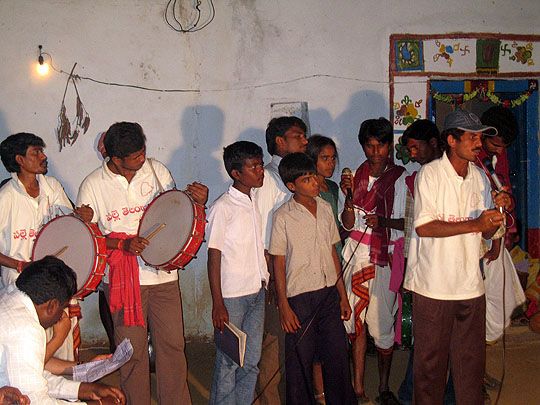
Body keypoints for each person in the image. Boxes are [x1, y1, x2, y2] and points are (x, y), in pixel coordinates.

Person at [77, 122, 208, 404]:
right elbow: (88, 239)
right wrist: (121, 244)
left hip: (163, 277)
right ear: (115, 158)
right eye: (135, 156)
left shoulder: (156, 170)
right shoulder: (93, 184)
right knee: (131, 352)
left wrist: (197, 202)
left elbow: (175, 215)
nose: (142, 158)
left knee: (172, 346)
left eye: (143, 151)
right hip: (123, 281)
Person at [404, 109, 511, 404]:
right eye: (472, 137)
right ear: (451, 140)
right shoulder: (430, 175)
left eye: (480, 137)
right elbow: (425, 227)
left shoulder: (479, 177)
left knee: (470, 365)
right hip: (434, 286)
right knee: (430, 366)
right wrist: (476, 223)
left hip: (470, 284)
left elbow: (486, 234)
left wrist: (496, 214)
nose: (478, 143)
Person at [269, 152, 355, 405]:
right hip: (300, 297)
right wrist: (284, 305)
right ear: (291, 186)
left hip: (328, 293)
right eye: (306, 180)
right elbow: (278, 261)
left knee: (337, 357)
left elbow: (332, 253)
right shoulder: (283, 216)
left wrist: (342, 296)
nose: (315, 183)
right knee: (300, 362)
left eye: (314, 177)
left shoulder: (326, 208)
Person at [0, 132, 92, 367]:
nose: (43, 156)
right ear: (19, 160)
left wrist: (84, 216)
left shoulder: (52, 187)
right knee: (31, 344)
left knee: (63, 342)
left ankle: (65, 387)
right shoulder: (6, 197)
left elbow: (71, 224)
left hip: (55, 279)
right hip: (20, 282)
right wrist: (20, 265)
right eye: (36, 152)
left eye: (41, 151)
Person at [340, 117, 407, 404]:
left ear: (390, 146)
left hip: (384, 258)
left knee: (381, 325)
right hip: (356, 256)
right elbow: (347, 224)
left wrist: (383, 222)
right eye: (370, 146)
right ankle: (357, 387)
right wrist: (347, 197)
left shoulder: (401, 178)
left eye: (381, 145)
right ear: (363, 146)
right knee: (354, 322)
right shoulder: (355, 177)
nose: (376, 152)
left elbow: (407, 222)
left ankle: (383, 387)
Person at [0, 255, 125, 404]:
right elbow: (35, 400)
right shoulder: (25, 329)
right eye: (63, 308)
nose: (63, 315)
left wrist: (84, 389)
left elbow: (32, 378)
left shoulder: (10, 293)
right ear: (52, 306)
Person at [396, 119, 456, 405]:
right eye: (408, 149)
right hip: (428, 272)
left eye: (415, 147)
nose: (412, 154)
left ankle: (450, 395)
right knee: (427, 339)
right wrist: (410, 274)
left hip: (453, 268)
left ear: (433, 143)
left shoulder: (458, 175)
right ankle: (411, 394)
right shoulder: (420, 177)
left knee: (454, 339)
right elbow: (413, 232)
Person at [206, 141, 269, 404]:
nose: (260, 170)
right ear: (236, 173)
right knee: (229, 361)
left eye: (260, 165)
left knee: (251, 361)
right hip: (232, 297)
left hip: (256, 291)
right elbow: (213, 256)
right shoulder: (223, 207)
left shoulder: (253, 201)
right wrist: (218, 303)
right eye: (253, 167)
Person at [254, 116, 308, 404]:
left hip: (296, 271)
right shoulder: (268, 181)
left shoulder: (295, 177)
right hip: (277, 273)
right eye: (298, 136)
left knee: (293, 342)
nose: (304, 141)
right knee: (274, 342)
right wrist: (274, 279)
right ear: (279, 141)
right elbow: (264, 236)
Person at [306, 134, 341, 403]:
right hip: (314, 268)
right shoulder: (306, 190)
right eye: (324, 158)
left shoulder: (334, 188)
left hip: (335, 261)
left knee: (333, 336)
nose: (330, 164)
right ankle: (319, 393)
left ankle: (334, 388)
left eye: (332, 159)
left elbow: (339, 226)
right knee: (316, 337)